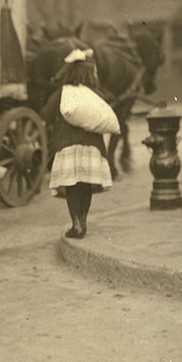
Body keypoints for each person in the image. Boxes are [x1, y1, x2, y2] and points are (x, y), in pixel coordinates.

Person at [41, 48, 113, 239]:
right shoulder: (96, 93)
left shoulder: (63, 93)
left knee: (72, 187)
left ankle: (76, 225)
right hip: (92, 149)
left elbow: (46, 114)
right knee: (85, 186)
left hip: (68, 147)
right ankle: (83, 220)